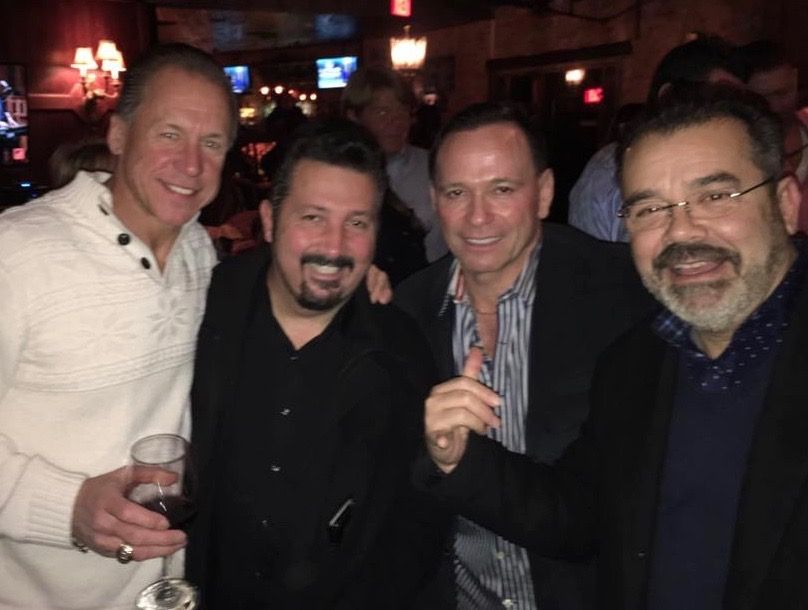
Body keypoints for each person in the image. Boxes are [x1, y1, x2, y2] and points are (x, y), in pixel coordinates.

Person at [416, 84, 808, 608]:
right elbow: (582, 515)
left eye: (716, 197)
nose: (682, 230)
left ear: (785, 203)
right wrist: (461, 460)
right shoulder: (641, 360)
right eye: (650, 209)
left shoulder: (621, 304)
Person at [0, 43, 238, 608]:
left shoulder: (199, 253)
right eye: (169, 134)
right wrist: (67, 507)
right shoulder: (16, 253)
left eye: (211, 143)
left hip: (169, 588)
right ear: (119, 134)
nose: (191, 165)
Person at [395, 102, 652, 609]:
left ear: (545, 192)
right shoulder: (405, 313)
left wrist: (463, 462)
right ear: (435, 200)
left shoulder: (625, 295)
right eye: (456, 193)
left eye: (502, 189)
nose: (477, 216)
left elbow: (617, 506)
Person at [187, 120, 439, 609]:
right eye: (313, 217)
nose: (335, 246)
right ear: (268, 220)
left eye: (357, 223)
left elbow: (420, 514)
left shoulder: (401, 349)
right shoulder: (203, 310)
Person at [568, 36, 748, 242]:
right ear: (668, 94)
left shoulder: (744, 157)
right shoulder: (609, 169)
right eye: (721, 96)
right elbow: (588, 255)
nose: (734, 111)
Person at [344, 66, 447, 264]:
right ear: (354, 117)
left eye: (402, 110)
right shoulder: (339, 175)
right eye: (382, 112)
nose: (396, 121)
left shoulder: (435, 167)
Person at [739, 40, 808, 233]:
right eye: (762, 99)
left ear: (795, 78)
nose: (775, 106)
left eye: (782, 93)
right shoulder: (736, 152)